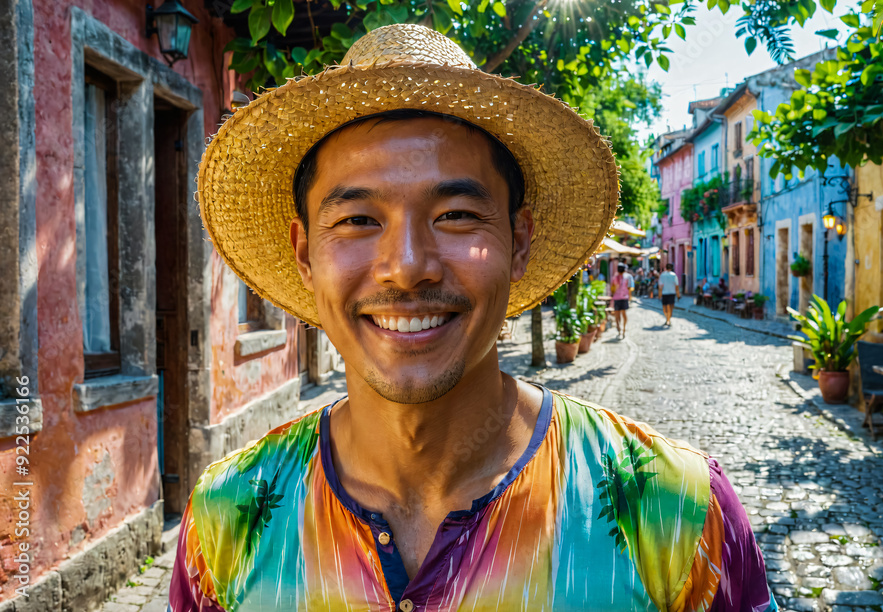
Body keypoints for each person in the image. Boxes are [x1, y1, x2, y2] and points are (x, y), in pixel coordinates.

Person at [169, 24, 775, 612]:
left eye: (456, 214)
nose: (406, 269)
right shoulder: (228, 522)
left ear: (519, 242)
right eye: (357, 220)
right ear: (306, 254)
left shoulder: (675, 514)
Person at [610, 262, 635, 339]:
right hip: (624, 298)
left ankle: (619, 328)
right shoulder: (627, 277)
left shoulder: (614, 278)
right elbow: (630, 288)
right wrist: (630, 298)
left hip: (616, 298)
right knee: (624, 315)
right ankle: (623, 329)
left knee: (617, 316)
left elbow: (612, 289)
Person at [659, 263, 680, 327]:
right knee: (670, 307)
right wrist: (678, 294)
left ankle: (667, 319)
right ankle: (668, 319)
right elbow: (676, 286)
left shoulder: (662, 275)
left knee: (664, 307)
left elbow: (660, 286)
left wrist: (659, 294)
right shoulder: (674, 275)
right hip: (672, 293)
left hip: (664, 293)